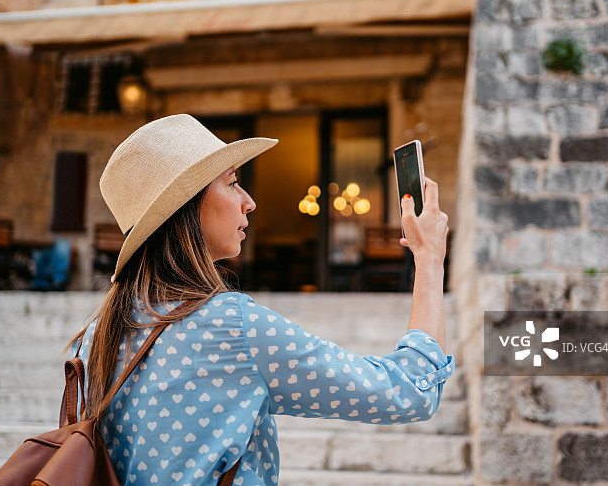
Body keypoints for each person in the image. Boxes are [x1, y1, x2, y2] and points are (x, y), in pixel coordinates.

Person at [69, 114, 455, 485]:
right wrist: (430, 259)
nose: (249, 201)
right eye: (233, 182)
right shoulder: (228, 327)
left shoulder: (94, 337)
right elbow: (409, 391)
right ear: (186, 206)